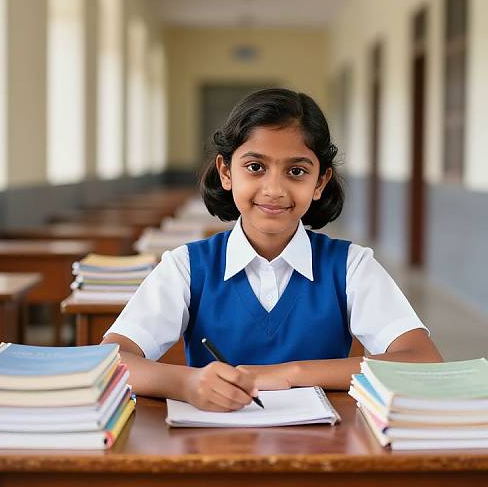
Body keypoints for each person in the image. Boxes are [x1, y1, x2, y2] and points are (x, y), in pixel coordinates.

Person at [102, 88, 442, 412]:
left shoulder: (350, 265)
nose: (274, 189)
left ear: (320, 182)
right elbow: (113, 360)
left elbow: (421, 359)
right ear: (226, 172)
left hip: (327, 452)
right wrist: (187, 384)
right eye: (255, 167)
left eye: (296, 171)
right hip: (213, 450)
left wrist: (289, 374)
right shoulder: (187, 267)